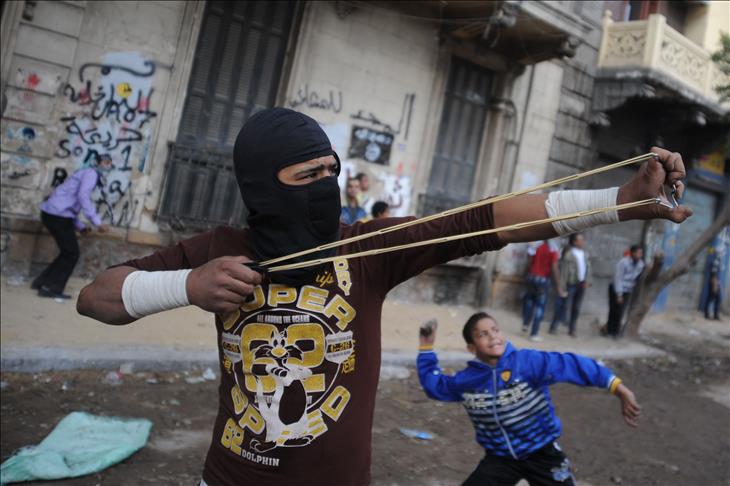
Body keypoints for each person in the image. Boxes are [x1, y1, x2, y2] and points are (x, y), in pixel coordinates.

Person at [76, 107, 690, 486]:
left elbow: (484, 221)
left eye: (331, 171)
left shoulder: (366, 250)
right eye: (307, 176)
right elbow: (95, 298)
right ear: (263, 186)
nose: (326, 187)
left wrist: (617, 202)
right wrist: (187, 285)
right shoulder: (216, 249)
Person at [417, 312, 641, 485]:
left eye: (495, 330)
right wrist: (426, 347)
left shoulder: (527, 363)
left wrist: (618, 388)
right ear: (471, 347)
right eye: (482, 334)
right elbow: (435, 386)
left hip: (543, 454)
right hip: (500, 458)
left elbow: (571, 365)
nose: (492, 336)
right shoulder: (467, 381)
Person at [32, 155, 111, 299]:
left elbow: (71, 205)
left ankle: (42, 282)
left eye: (109, 163)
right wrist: (97, 222)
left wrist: (80, 227)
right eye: (106, 162)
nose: (108, 166)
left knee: (67, 252)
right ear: (98, 163)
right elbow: (82, 197)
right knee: (71, 254)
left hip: (54, 214)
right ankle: (51, 288)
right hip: (57, 216)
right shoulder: (91, 174)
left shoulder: (85, 172)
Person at [549, 233, 590, 337]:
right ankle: (554, 326)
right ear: (575, 242)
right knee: (563, 305)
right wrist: (562, 286)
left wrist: (587, 280)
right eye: (580, 240)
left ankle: (572, 329)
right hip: (570, 284)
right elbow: (564, 272)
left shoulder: (585, 254)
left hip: (581, 284)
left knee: (576, 308)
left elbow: (588, 269)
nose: (582, 242)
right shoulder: (569, 254)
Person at [521, 240, 561, 341]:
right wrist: (558, 285)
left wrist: (525, 274)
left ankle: (525, 324)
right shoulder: (553, 250)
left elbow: (529, 262)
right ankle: (534, 333)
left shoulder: (536, 246)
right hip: (543, 280)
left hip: (532, 277)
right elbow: (554, 267)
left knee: (529, 302)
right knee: (540, 307)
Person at [606, 244, 645, 337]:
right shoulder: (623, 263)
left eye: (641, 253)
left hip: (628, 289)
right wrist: (619, 294)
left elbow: (637, 278)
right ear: (632, 253)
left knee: (621, 311)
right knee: (613, 310)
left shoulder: (641, 264)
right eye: (638, 253)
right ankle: (610, 331)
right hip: (616, 288)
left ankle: (616, 332)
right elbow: (618, 278)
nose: (640, 255)